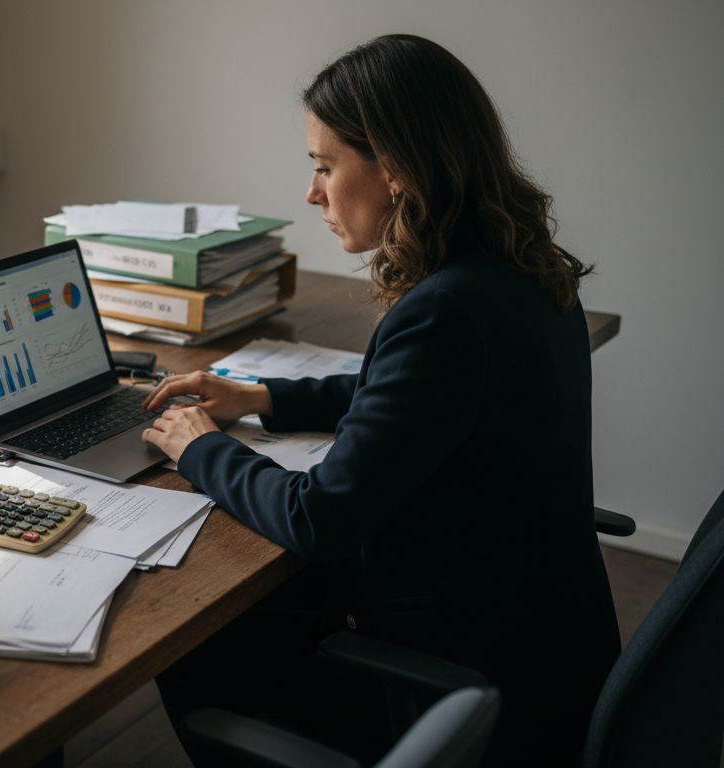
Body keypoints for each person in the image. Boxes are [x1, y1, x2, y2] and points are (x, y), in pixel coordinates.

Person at [143, 34, 620, 765]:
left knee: (192, 632)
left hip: (466, 691)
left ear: (394, 167)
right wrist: (261, 396)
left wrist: (198, 446)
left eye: (324, 166)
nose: (312, 193)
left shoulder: (445, 311)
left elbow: (318, 518)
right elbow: (418, 397)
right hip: (546, 649)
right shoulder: (519, 267)